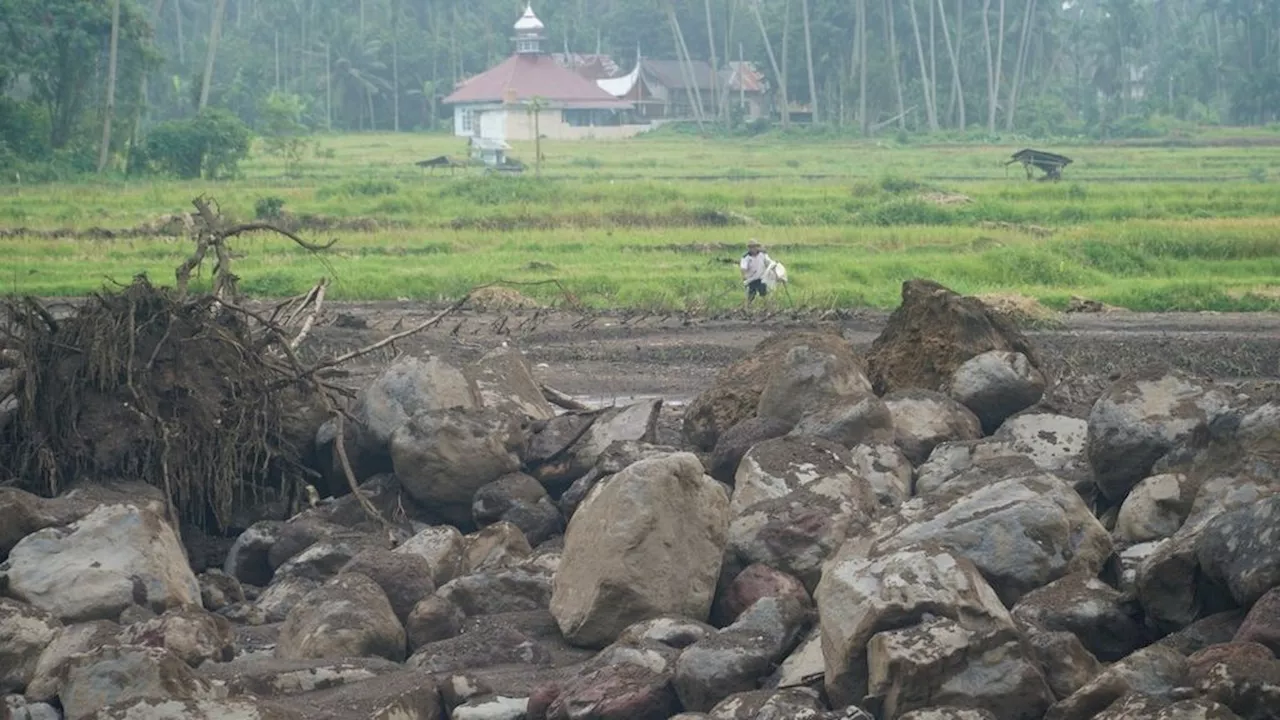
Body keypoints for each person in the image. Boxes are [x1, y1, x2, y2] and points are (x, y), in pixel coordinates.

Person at [739, 239, 773, 309]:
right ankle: (748, 307)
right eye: (751, 247)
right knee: (751, 295)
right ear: (749, 248)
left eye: (755, 247)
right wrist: (744, 276)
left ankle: (767, 307)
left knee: (763, 293)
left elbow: (769, 262)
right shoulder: (746, 257)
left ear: (757, 247)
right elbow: (743, 268)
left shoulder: (763, 254)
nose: (753, 249)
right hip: (751, 279)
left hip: (761, 277)